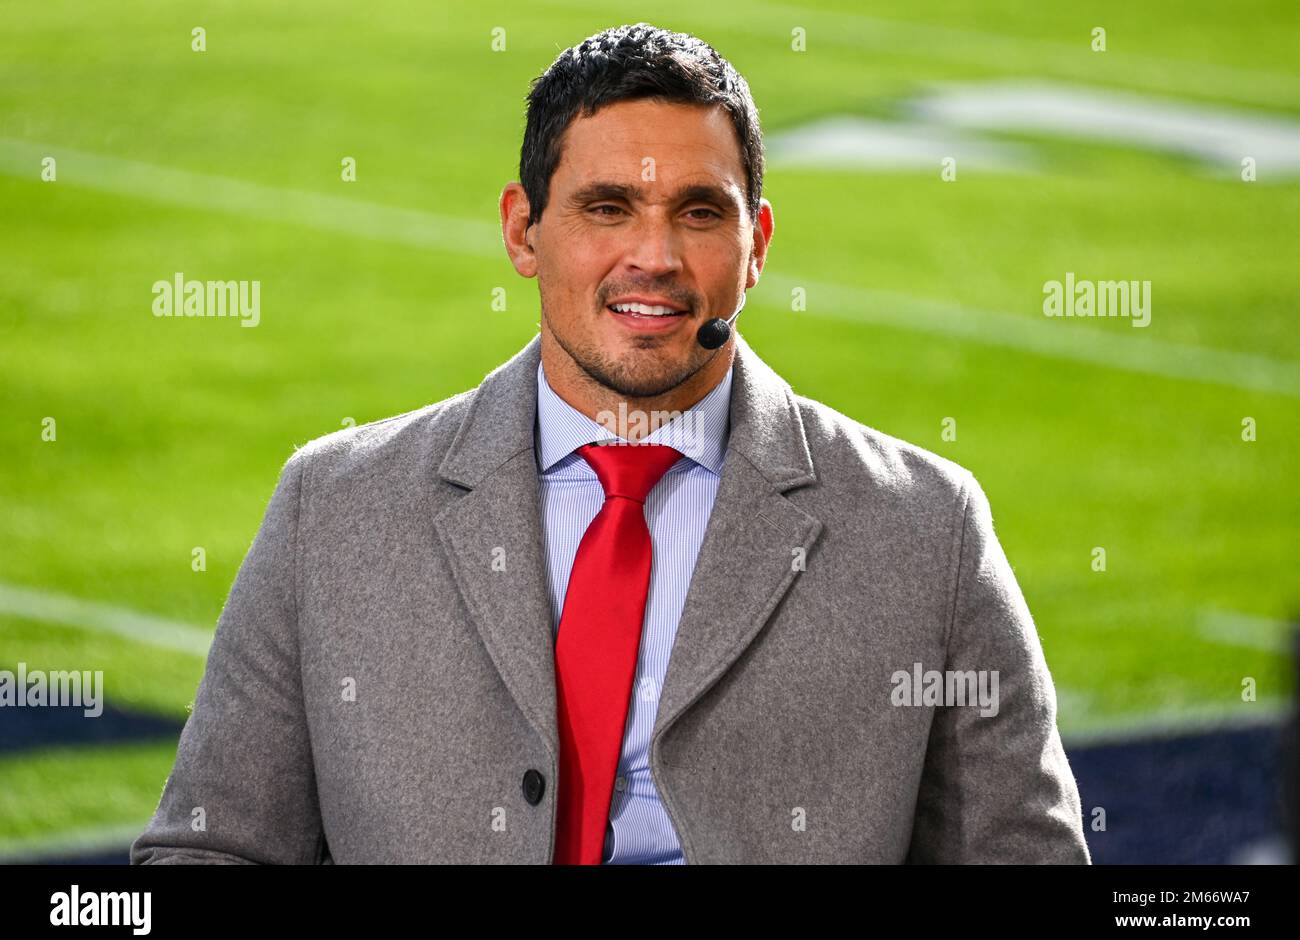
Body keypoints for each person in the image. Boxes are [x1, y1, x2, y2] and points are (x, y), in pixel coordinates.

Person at [131, 22, 1090, 865]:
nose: (656, 258)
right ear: (522, 230)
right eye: (607, 209)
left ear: (757, 244)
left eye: (699, 212)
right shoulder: (333, 508)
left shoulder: (926, 529)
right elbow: (211, 848)